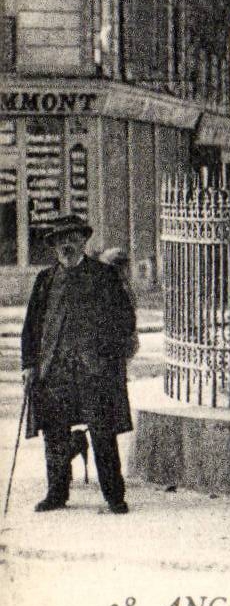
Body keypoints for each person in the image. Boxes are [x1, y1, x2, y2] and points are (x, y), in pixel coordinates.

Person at [21, 213, 136, 513]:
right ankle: (57, 494)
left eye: (72, 238)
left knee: (102, 433)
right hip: (55, 371)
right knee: (55, 434)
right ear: (54, 246)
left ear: (83, 240)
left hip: (93, 372)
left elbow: (125, 319)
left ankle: (114, 495)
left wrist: (109, 353)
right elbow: (32, 326)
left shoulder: (103, 276)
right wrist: (29, 364)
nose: (66, 245)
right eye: (60, 240)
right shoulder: (45, 280)